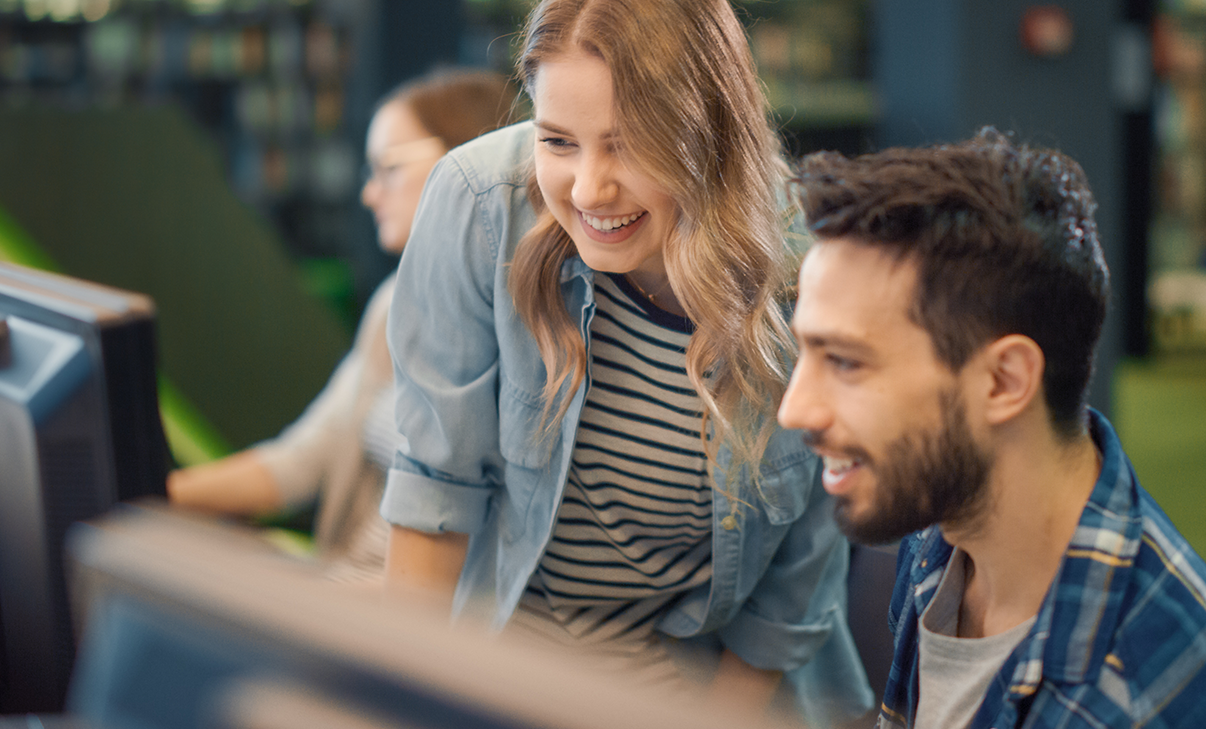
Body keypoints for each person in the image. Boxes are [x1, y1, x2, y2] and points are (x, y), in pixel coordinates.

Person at [380, 0, 872, 725]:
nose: (588, 190)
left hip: (708, 688)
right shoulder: (479, 203)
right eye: (558, 141)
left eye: (631, 144)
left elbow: (797, 580)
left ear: (712, 135)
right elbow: (435, 496)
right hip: (502, 661)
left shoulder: (810, 267)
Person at [780, 128, 1206, 727]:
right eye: (804, 351)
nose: (794, 411)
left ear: (1004, 381)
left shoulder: (1138, 696)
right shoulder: (942, 528)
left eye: (845, 361)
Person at [167, 69, 518, 584]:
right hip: (337, 585)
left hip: (400, 624)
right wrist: (144, 494)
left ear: (466, 163)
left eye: (388, 169)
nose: (370, 194)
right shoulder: (394, 304)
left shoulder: (522, 334)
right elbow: (300, 460)